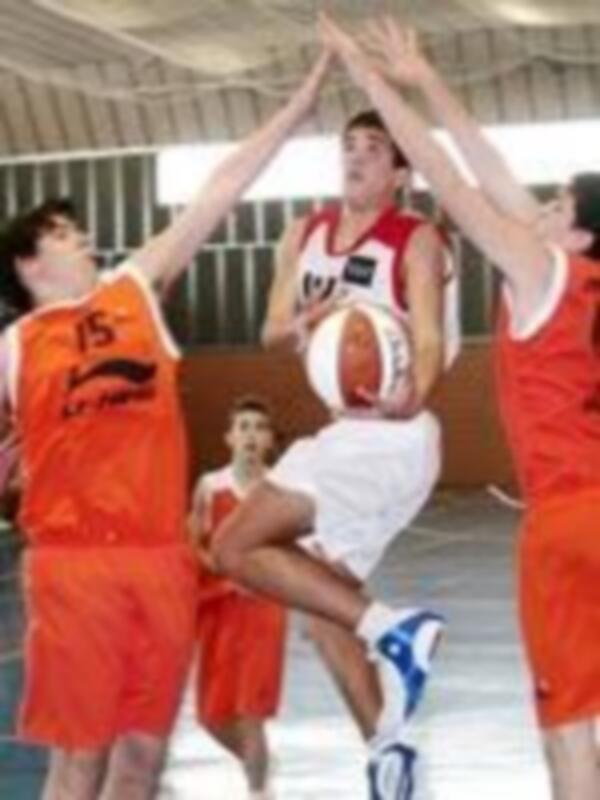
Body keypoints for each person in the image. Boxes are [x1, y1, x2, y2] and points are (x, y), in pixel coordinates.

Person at [0, 50, 331, 800]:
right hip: (73, 565)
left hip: (158, 559)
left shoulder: (133, 294)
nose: (81, 234)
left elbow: (218, 191)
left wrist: (292, 113)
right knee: (77, 762)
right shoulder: (17, 345)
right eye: (62, 230)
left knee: (144, 763)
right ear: (27, 263)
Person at [321, 14, 600, 800]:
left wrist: (371, 80)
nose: (539, 205)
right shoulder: (580, 279)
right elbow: (494, 165)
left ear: (575, 236)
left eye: (557, 203)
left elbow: (450, 176)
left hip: (569, 520)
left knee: (569, 725)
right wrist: (427, 75)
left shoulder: (542, 271)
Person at [211, 85, 459, 800]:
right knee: (323, 615)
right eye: (347, 147)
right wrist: (298, 328)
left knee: (233, 548)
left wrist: (410, 390)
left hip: (390, 432)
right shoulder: (304, 232)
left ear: (399, 175)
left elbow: (434, 340)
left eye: (373, 149)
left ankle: (397, 630)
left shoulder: (415, 238)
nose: (355, 158)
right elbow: (269, 330)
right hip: (344, 436)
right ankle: (389, 752)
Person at [189, 396, 286, 800]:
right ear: (229, 438)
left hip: (264, 611)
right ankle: (258, 762)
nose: (250, 434)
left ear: (268, 441)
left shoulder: (281, 490)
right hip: (218, 608)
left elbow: (293, 551)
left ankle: (258, 789)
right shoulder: (210, 487)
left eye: (259, 427)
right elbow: (193, 543)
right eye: (243, 426)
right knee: (211, 717)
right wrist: (222, 570)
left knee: (251, 714)